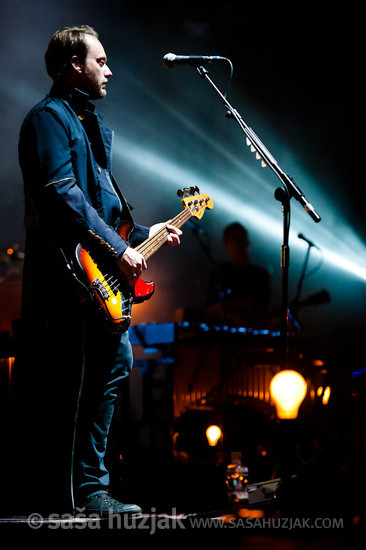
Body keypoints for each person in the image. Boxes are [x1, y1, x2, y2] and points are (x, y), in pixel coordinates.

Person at [10, 25, 181, 516]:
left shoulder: (88, 124)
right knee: (71, 384)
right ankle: (72, 495)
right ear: (73, 66)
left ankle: (90, 490)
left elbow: (103, 212)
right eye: (100, 61)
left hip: (96, 282)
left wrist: (148, 231)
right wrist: (119, 251)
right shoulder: (48, 119)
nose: (109, 69)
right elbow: (62, 195)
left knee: (111, 370)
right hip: (69, 283)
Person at [206, 222, 271, 327]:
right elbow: (210, 310)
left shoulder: (261, 275)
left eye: (241, 240)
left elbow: (261, 307)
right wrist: (232, 315)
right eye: (235, 240)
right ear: (226, 244)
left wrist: (228, 305)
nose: (238, 244)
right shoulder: (218, 273)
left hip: (255, 336)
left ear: (247, 243)